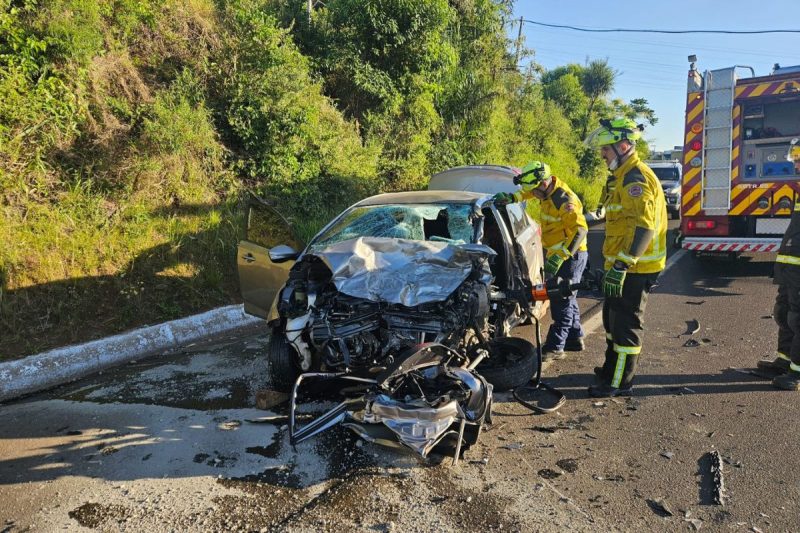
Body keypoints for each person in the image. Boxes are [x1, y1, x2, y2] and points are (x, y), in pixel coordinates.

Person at [583, 118, 668, 398]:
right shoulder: (621, 177)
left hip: (635, 268)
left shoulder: (636, 178)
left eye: (605, 150)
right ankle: (610, 369)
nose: (602, 155)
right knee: (611, 320)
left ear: (622, 146)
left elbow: (645, 227)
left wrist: (621, 265)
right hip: (622, 266)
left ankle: (618, 382)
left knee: (626, 327)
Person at [493, 161, 589, 361]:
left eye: (535, 191)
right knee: (568, 296)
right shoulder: (543, 189)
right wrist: (512, 197)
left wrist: (562, 255)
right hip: (560, 254)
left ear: (543, 184)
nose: (533, 195)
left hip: (572, 255)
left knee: (560, 298)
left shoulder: (564, 200)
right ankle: (574, 336)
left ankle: (556, 346)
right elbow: (528, 192)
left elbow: (580, 231)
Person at [757, 198, 800, 390]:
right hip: (791, 266)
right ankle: (785, 361)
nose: (796, 166)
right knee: (783, 313)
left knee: (797, 319)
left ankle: (797, 373)